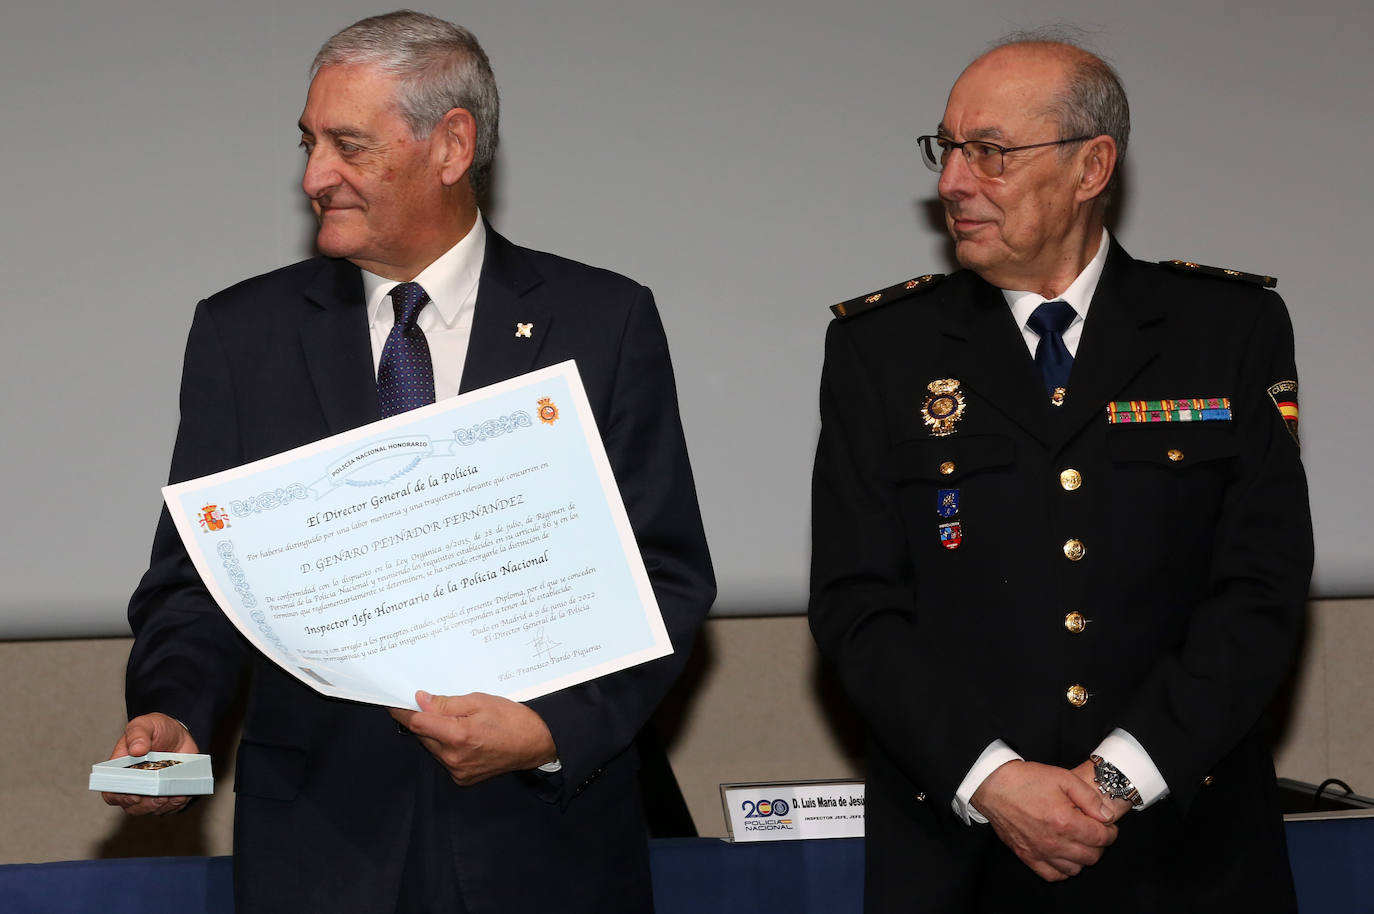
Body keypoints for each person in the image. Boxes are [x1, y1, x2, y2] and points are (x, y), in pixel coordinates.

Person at [102, 11, 715, 914]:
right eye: (309, 143)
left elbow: (663, 577)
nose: (315, 176)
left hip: (544, 842)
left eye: (348, 145)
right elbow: (197, 583)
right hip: (319, 845)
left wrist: (548, 731)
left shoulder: (602, 321)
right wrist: (173, 713)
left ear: (451, 145)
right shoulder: (245, 335)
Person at [809, 33, 1312, 912]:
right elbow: (858, 606)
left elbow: (1260, 591)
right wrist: (997, 784)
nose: (953, 183)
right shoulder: (882, 350)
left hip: (1184, 852)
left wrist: (1113, 783)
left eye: (991, 153)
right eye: (948, 148)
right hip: (962, 854)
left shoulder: (1225, 331)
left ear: (1091, 167)